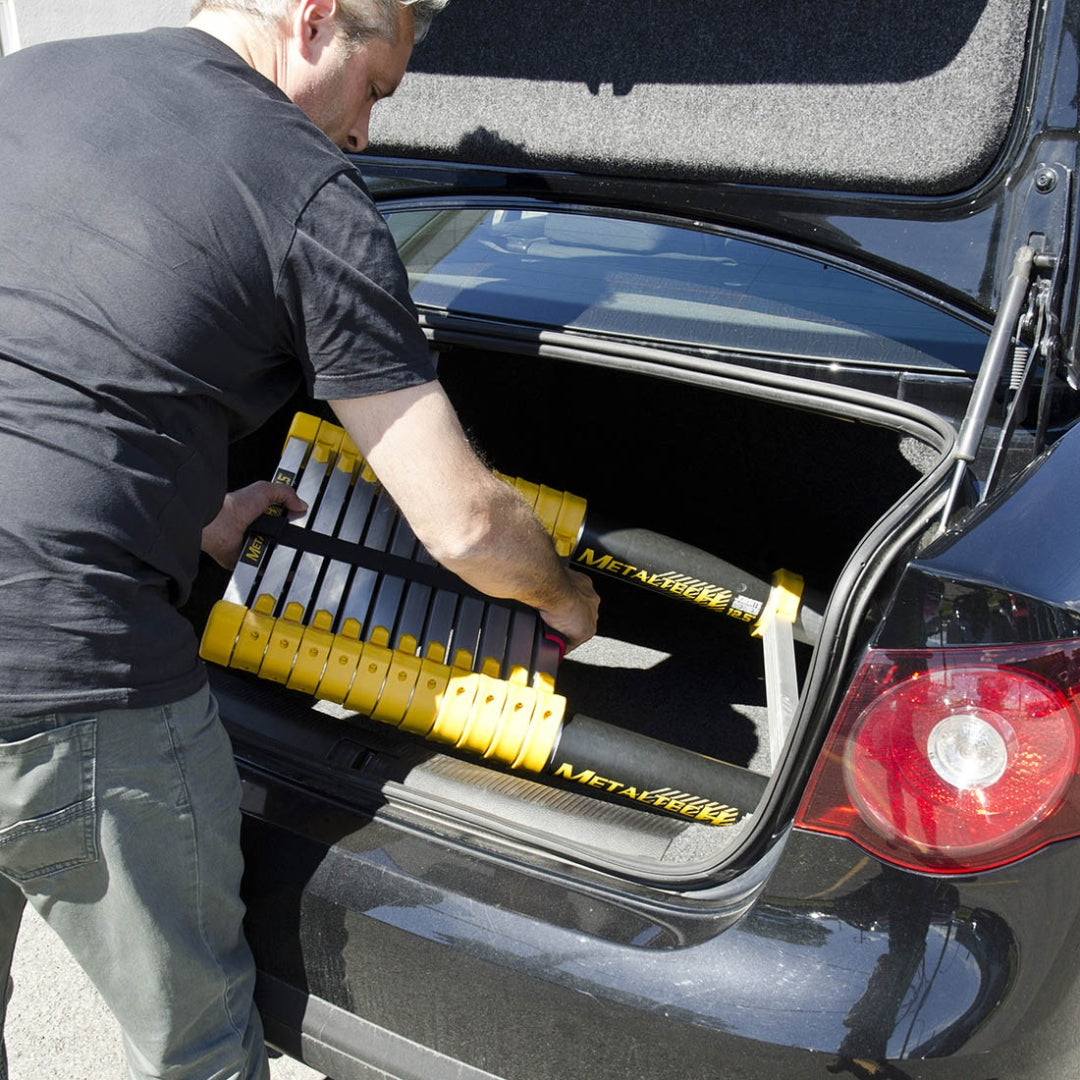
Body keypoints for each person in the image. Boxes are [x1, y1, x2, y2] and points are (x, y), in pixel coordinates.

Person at [0, 1, 600, 1077]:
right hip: (66, 679)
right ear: (318, 17)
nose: (367, 132)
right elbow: (463, 522)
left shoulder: (37, 80)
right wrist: (560, 597)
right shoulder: (308, 190)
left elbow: (63, 341)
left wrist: (190, 511)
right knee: (197, 1046)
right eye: (376, 86)